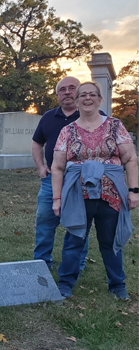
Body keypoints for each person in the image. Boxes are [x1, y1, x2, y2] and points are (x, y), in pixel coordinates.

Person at [51, 81, 138, 299]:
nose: (87, 98)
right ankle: (65, 284)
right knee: (73, 241)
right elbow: (57, 166)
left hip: (111, 194)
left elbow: (130, 159)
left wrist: (134, 190)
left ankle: (118, 285)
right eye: (83, 95)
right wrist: (56, 198)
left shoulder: (115, 126)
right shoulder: (67, 131)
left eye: (92, 94)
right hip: (77, 195)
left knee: (110, 242)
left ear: (100, 99)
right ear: (77, 100)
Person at [32, 76, 90, 271]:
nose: (67, 92)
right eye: (62, 89)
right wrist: (41, 166)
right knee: (44, 223)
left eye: (72, 88)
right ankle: (41, 261)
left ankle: (76, 264)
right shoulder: (48, 117)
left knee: (78, 224)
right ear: (57, 95)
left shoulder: (92, 115)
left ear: (80, 92)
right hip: (50, 181)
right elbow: (37, 142)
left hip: (80, 181)